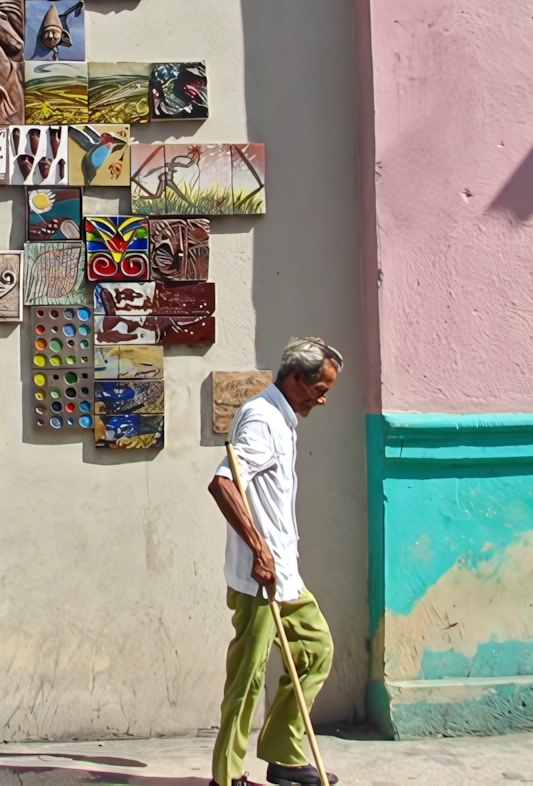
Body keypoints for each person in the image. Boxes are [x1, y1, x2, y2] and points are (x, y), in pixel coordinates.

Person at [208, 337, 344, 786]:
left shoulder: (285, 418)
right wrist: (258, 549)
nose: (322, 399)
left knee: (316, 648)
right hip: (258, 579)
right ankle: (226, 779)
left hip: (284, 573)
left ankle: (283, 755)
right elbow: (223, 483)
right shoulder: (263, 418)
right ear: (294, 378)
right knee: (247, 678)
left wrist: (277, 552)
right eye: (318, 388)